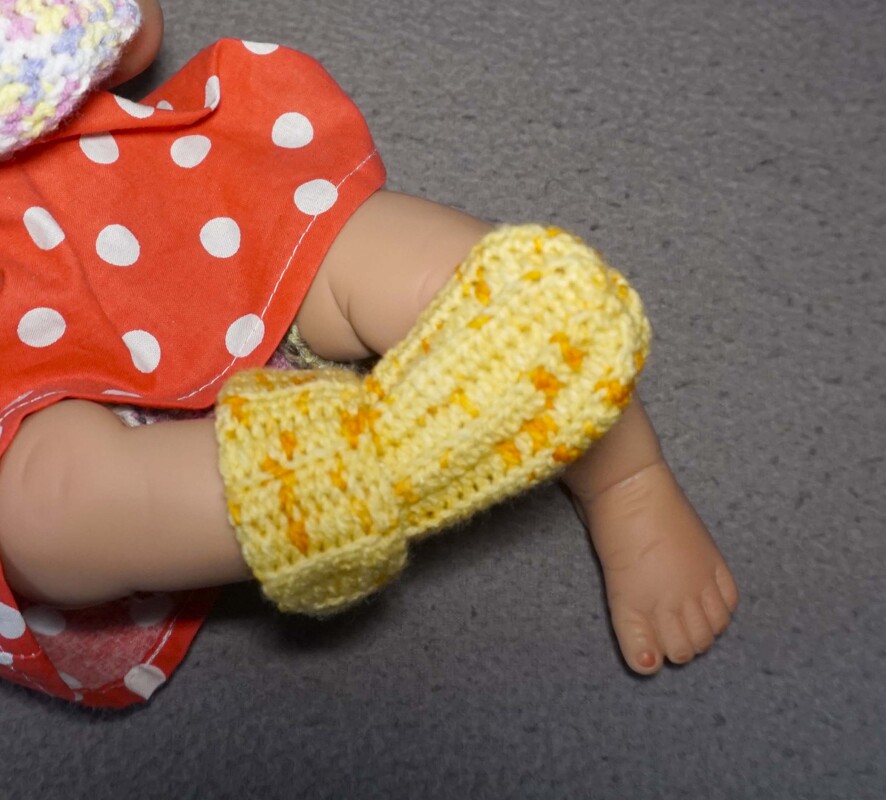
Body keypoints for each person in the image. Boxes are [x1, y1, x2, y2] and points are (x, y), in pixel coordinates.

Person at [0, 0, 737, 707]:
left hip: (146, 222)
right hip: (22, 394)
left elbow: (133, 32)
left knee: (473, 284)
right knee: (48, 510)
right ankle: (361, 469)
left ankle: (625, 480)